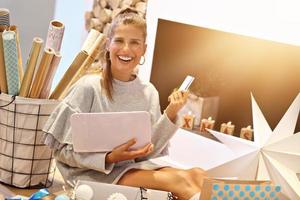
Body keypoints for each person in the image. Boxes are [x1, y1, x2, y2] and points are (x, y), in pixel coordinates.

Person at [42, 8, 206, 200]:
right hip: (91, 175)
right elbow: (61, 152)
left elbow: (147, 153)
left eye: (135, 42)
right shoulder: (88, 88)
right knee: (180, 182)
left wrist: (171, 112)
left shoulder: (148, 91)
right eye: (119, 40)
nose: (126, 49)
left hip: (131, 168)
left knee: (197, 174)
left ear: (144, 49)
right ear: (108, 45)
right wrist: (109, 158)